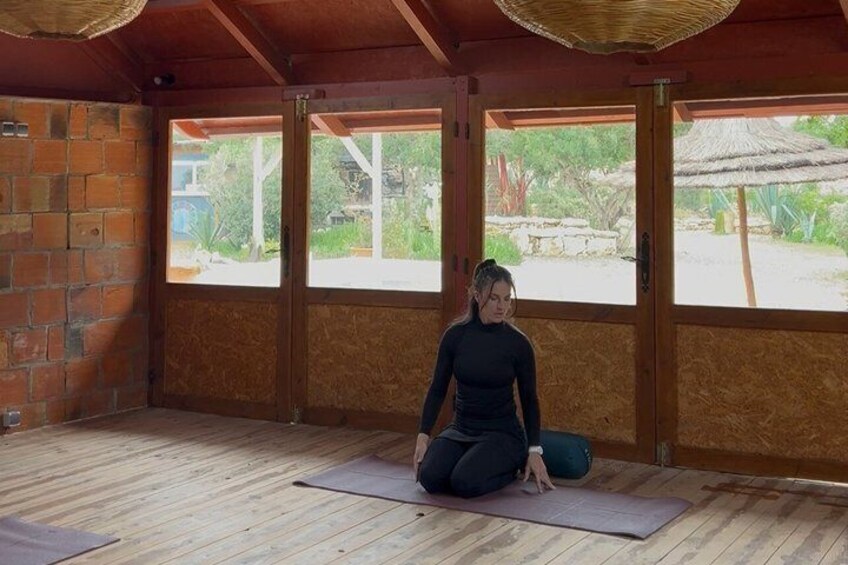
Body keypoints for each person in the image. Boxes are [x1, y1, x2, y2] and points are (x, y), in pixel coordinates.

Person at [413, 258, 555, 498]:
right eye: (494, 298)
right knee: (429, 478)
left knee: (464, 482)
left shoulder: (518, 343)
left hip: (502, 434)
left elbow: (530, 399)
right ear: (477, 296)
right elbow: (438, 388)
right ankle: (472, 464)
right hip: (461, 429)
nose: (502, 307)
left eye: (507, 299)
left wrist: (534, 450)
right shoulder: (455, 336)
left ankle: (511, 466)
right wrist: (423, 436)